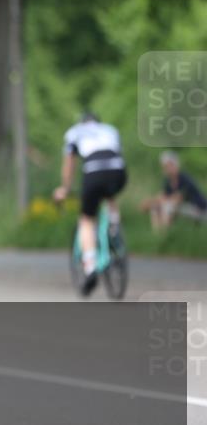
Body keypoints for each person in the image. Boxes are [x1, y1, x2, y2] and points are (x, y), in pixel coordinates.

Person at [52, 112, 127, 296]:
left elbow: (69, 163)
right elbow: (117, 152)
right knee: (110, 196)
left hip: (93, 172)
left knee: (86, 220)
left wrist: (65, 188)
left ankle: (89, 264)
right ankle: (114, 226)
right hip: (118, 170)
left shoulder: (74, 132)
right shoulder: (110, 130)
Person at [141, 151, 207, 230]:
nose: (167, 169)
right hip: (183, 208)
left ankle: (167, 233)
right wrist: (151, 202)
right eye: (165, 166)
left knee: (167, 207)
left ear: (176, 165)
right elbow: (162, 196)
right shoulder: (168, 181)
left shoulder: (185, 179)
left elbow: (177, 199)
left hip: (199, 209)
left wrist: (155, 201)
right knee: (155, 208)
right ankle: (158, 235)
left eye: (170, 165)